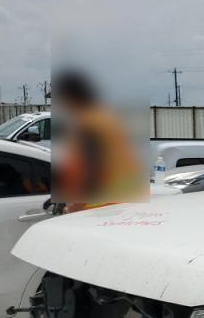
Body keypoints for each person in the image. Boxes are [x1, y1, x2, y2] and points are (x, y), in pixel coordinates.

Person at [52, 69, 145, 212]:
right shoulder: (105, 118)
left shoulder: (87, 124)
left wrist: (74, 207)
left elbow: (94, 171)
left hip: (100, 208)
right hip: (123, 203)